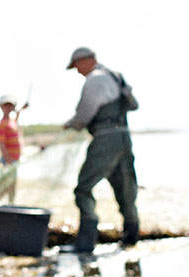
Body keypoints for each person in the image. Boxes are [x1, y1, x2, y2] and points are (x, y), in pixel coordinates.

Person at [63, 46, 139, 253]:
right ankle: (131, 236)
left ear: (87, 60)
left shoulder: (94, 79)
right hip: (124, 136)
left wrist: (71, 124)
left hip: (105, 139)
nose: (77, 71)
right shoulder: (116, 76)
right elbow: (134, 105)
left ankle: (86, 244)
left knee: (83, 188)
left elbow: (84, 115)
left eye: (77, 66)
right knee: (125, 187)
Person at [0, 94, 28, 165]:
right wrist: (8, 160)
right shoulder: (2, 124)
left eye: (10, 105)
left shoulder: (12, 121)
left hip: (16, 159)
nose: (8, 107)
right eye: (5, 105)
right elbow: (1, 144)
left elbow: (17, 114)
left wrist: (22, 108)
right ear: (1, 107)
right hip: (9, 161)